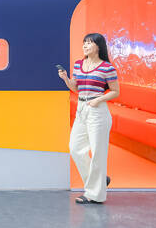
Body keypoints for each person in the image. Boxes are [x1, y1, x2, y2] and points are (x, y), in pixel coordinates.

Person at [57, 33, 120, 205]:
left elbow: (115, 91)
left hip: (98, 111)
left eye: (89, 43)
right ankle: (100, 181)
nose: (85, 46)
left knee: (98, 153)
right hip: (81, 109)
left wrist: (98, 100)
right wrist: (66, 79)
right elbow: (75, 87)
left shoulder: (107, 68)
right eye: (84, 43)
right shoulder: (79, 64)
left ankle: (95, 194)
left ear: (98, 46)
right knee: (75, 148)